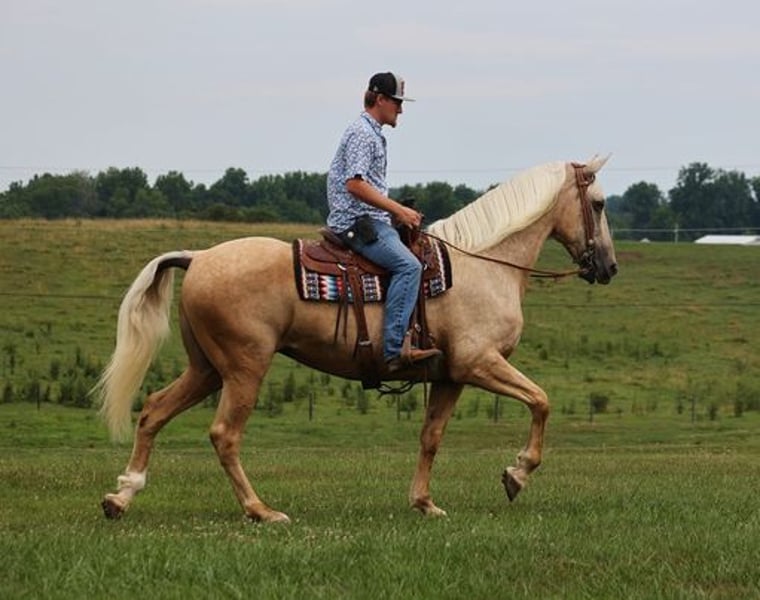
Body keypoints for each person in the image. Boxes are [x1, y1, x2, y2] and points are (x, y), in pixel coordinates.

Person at [326, 72, 442, 372]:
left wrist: (396, 211)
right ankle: (394, 350)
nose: (400, 110)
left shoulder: (371, 132)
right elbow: (355, 184)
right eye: (397, 102)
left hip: (369, 218)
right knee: (409, 266)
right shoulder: (363, 135)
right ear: (380, 99)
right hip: (357, 222)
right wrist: (398, 211)